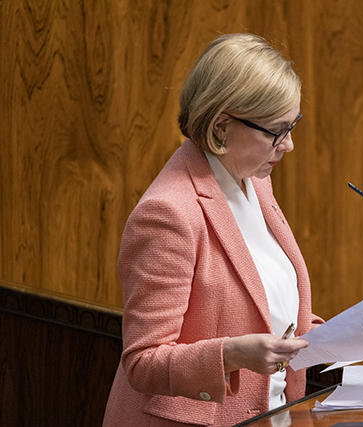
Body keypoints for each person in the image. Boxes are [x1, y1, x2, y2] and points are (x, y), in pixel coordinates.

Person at [103, 33, 323, 427]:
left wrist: (335, 335)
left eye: (293, 125)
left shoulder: (254, 181)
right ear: (222, 126)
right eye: (276, 131)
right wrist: (231, 355)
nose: (288, 145)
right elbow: (142, 362)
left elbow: (260, 301)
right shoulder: (168, 214)